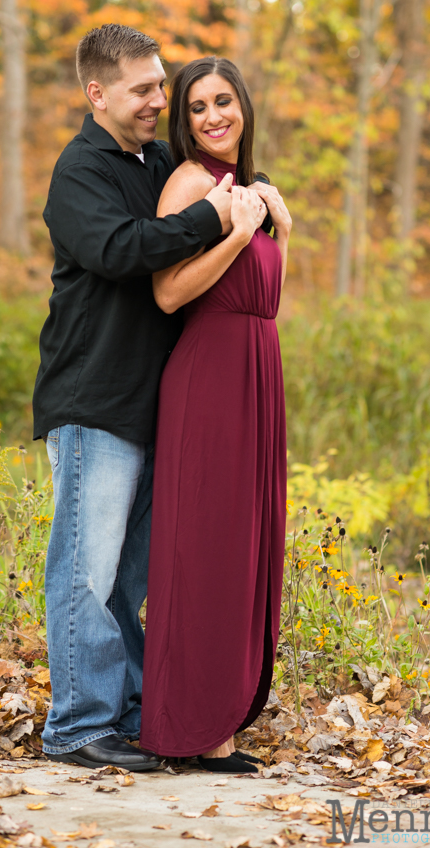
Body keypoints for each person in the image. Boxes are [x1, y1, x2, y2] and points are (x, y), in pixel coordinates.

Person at [32, 25, 234, 772]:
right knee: (84, 569)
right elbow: (123, 251)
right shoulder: (79, 171)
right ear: (98, 93)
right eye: (144, 88)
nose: (161, 100)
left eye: (160, 85)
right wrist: (213, 217)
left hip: (156, 405)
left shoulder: (155, 162)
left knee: (128, 576)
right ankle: (76, 728)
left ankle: (122, 712)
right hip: (93, 400)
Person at [140, 56, 292, 772]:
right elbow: (168, 294)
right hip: (208, 381)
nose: (211, 117)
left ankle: (224, 709)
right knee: (205, 547)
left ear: (244, 106)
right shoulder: (190, 183)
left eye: (222, 101)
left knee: (245, 544)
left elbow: (262, 300)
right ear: (184, 121)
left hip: (258, 376)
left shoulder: (253, 189)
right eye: (196, 107)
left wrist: (277, 231)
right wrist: (234, 234)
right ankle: (196, 727)